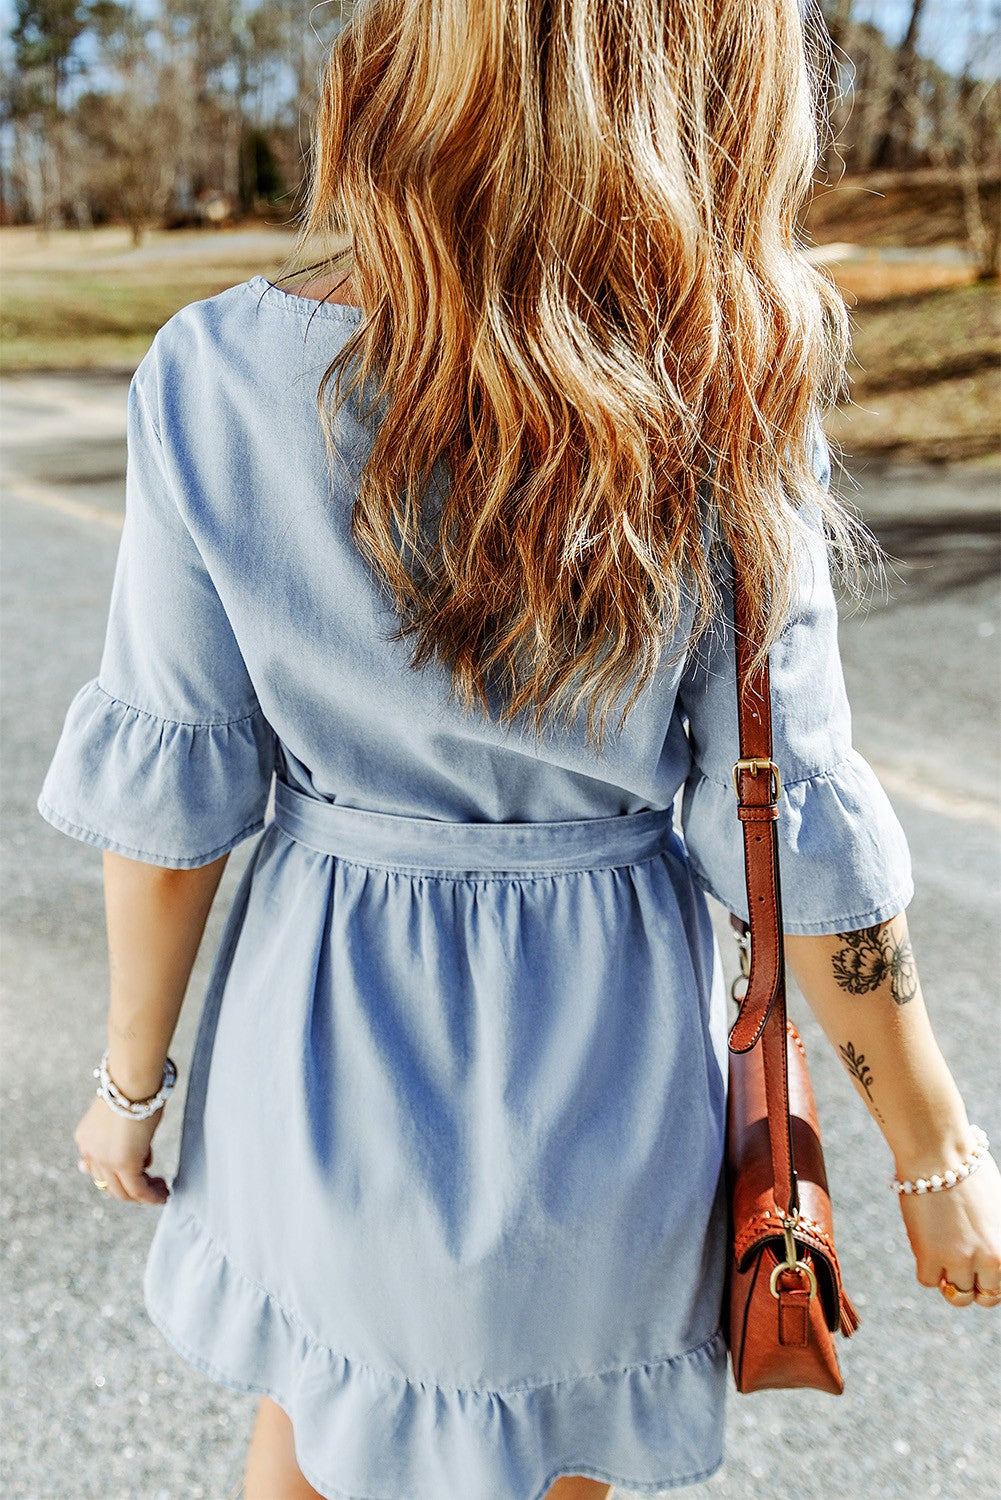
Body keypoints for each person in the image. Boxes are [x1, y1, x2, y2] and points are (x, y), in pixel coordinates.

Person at [36, 1, 999, 1497]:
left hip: (320, 1030)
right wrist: (932, 1150)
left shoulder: (214, 370)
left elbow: (176, 802)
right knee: (534, 1459)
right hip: (599, 1062)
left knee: (308, 1414)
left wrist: (132, 1080)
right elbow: (786, 812)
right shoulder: (726, 385)